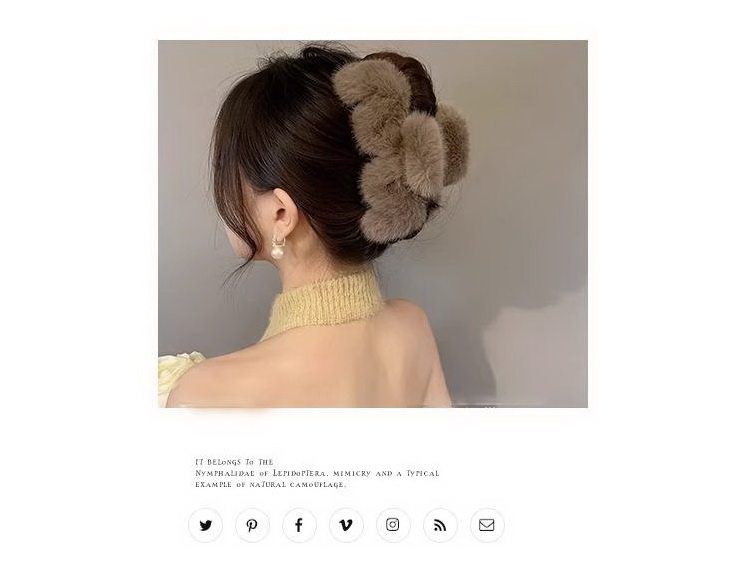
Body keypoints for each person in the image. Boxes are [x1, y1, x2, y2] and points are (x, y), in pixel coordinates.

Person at [162, 42, 469, 407]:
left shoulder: (208, 393)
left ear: (280, 214)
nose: (220, 190)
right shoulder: (412, 327)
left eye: (225, 170)